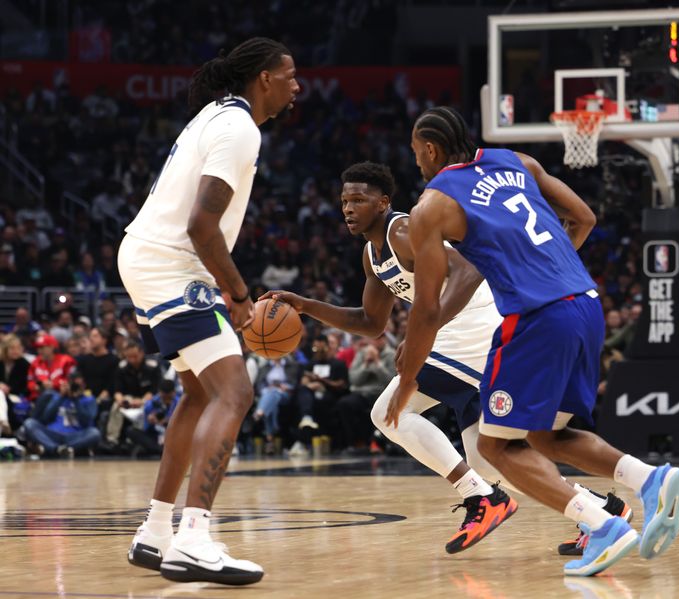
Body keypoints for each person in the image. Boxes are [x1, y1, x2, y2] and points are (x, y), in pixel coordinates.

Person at [266, 162, 631, 556]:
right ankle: (602, 510)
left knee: (388, 412)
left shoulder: (403, 230)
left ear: (383, 202)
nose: (349, 208)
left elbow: (469, 269)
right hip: (455, 333)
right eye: (344, 201)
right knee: (491, 463)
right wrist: (305, 305)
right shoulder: (373, 256)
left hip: (476, 324)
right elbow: (370, 322)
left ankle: (480, 498)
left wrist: (429, 327)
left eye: (359, 199)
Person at [390, 106, 679, 577]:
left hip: (538, 317)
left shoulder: (432, 205)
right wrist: (548, 271)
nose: (416, 163)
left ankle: (602, 526)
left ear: (429, 149)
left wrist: (408, 376)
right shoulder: (517, 161)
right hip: (586, 303)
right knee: (547, 434)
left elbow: (427, 309)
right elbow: (584, 217)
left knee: (495, 447)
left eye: (415, 153)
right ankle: (652, 479)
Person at [119, 37, 298, 585]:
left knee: (199, 393)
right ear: (263, 78)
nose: (296, 85)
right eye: (288, 75)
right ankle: (195, 537)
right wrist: (239, 296)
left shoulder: (214, 116)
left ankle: (156, 531)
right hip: (173, 263)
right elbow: (201, 225)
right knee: (235, 392)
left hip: (147, 256)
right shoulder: (239, 128)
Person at [23, 370, 101, 458]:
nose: (75, 387)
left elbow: (87, 421)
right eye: (73, 384)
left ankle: (65, 449)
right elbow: (46, 417)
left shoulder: (89, 400)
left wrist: (76, 400)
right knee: (29, 423)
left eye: (78, 385)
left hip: (76, 435)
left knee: (95, 433)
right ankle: (56, 449)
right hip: (54, 433)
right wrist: (61, 397)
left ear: (84, 386)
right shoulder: (57, 397)